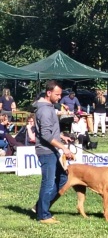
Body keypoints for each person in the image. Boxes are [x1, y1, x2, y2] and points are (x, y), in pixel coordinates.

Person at [32, 80, 73, 224]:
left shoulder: (49, 107)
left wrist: (60, 136)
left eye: (60, 94)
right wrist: (63, 147)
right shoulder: (44, 110)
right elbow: (45, 135)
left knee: (63, 178)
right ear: (48, 93)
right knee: (48, 183)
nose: (59, 97)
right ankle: (43, 215)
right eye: (57, 94)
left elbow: (50, 130)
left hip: (52, 149)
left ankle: (40, 207)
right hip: (46, 151)